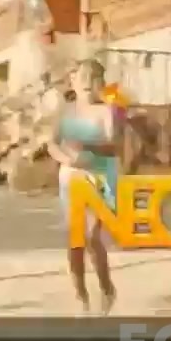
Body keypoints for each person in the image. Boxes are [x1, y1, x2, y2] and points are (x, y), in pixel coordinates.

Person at [48, 59, 124, 315]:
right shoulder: (65, 111)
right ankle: (81, 295)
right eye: (83, 78)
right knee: (76, 239)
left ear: (100, 83)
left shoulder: (107, 111)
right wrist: (67, 158)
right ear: (75, 82)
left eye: (93, 79)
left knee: (92, 236)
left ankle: (106, 288)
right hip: (71, 176)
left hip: (99, 175)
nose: (88, 84)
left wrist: (87, 148)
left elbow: (114, 146)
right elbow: (52, 144)